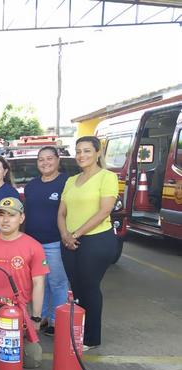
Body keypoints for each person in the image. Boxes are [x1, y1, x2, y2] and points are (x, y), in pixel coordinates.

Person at [58, 136, 118, 350]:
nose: (81, 155)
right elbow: (62, 212)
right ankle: (78, 330)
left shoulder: (107, 177)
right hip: (69, 241)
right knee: (76, 288)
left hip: (97, 240)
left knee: (90, 287)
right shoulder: (71, 180)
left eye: (86, 151)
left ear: (98, 152)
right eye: (78, 151)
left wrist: (77, 234)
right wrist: (65, 234)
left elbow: (104, 211)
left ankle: (92, 338)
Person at [0, 197, 49, 369]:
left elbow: (39, 283)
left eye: (11, 215)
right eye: (1, 215)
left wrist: (35, 317)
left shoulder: (34, 246)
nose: (5, 220)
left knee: (32, 361)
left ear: (21, 218)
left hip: (20, 309)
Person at [24, 146, 71, 336]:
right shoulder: (32, 185)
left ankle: (56, 320)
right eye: (41, 159)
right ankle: (41, 317)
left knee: (57, 282)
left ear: (58, 160)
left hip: (55, 242)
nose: (45, 163)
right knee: (38, 281)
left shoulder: (66, 183)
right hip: (33, 243)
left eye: (49, 158)